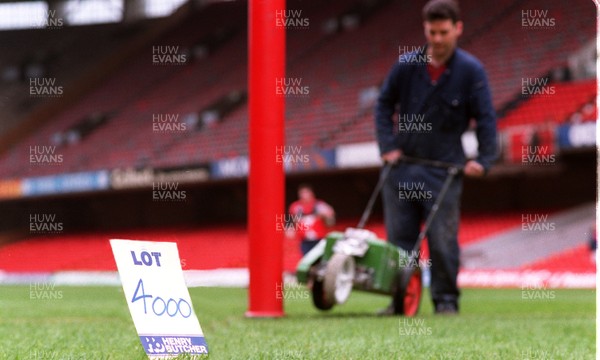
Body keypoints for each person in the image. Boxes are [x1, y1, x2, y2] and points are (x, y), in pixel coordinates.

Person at [375, 0, 497, 314]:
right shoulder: (406, 65)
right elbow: (383, 104)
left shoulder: (471, 71)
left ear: (458, 29)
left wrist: (484, 160)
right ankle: (400, 300)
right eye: (432, 32)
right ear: (425, 29)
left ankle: (446, 301)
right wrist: (386, 145)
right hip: (401, 167)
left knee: (442, 241)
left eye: (444, 31)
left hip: (445, 170)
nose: (438, 39)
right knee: (399, 241)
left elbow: (485, 119)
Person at [286, 184, 335, 255]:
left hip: (319, 239)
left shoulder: (319, 205)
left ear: (311, 193)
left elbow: (331, 219)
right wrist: (290, 229)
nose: (304, 195)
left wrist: (325, 216)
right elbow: (290, 221)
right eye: (302, 193)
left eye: (306, 193)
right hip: (304, 240)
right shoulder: (296, 207)